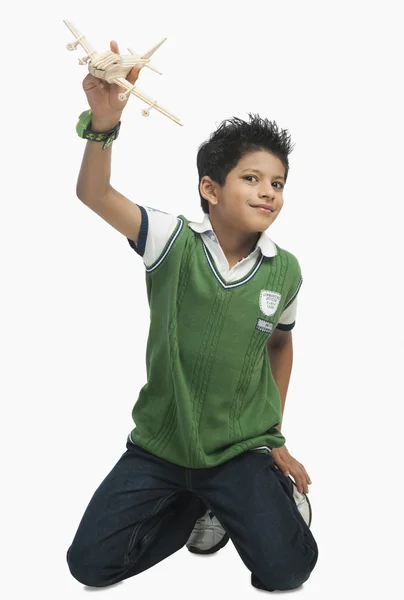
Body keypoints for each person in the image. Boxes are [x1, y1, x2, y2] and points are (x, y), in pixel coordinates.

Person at [66, 40, 319, 592]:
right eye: (251, 178)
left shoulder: (285, 271)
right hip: (160, 448)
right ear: (211, 188)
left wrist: (273, 435)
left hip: (236, 451)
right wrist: (103, 125)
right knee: (89, 566)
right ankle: (198, 506)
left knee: (285, 571)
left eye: (277, 183)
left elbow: (280, 344)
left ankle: (255, 501)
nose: (268, 192)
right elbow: (94, 192)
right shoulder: (171, 242)